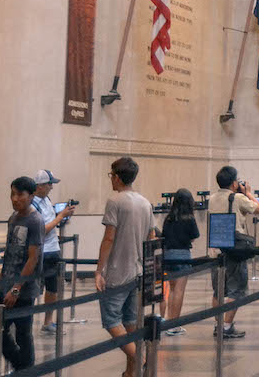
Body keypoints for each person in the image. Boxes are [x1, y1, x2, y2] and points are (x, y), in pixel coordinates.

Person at [97, 158, 156, 376]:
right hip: (138, 271)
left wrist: (98, 271)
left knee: (112, 320)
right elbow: (151, 237)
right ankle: (131, 372)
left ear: (117, 177)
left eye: (111, 175)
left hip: (117, 272)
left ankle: (142, 359)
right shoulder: (145, 202)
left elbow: (109, 238)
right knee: (131, 322)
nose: (110, 179)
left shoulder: (115, 201)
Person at [0, 176, 44, 371]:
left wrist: (16, 289)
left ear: (31, 196)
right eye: (12, 194)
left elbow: (32, 258)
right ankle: (20, 365)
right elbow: (10, 255)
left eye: (20, 194)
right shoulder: (13, 219)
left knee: (23, 332)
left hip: (24, 288)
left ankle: (26, 369)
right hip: (6, 284)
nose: (15, 199)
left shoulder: (35, 220)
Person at [208, 166, 259, 338]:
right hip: (234, 251)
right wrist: (248, 192)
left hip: (216, 250)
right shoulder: (238, 197)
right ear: (234, 183)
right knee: (236, 290)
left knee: (218, 291)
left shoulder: (212, 198)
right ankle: (226, 326)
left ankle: (218, 325)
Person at [32, 169, 74, 335]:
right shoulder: (32, 205)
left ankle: (48, 321)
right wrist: (60, 216)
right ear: (40, 186)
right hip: (42, 252)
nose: (51, 187)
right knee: (34, 288)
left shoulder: (46, 200)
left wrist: (63, 215)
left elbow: (51, 221)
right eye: (49, 184)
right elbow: (42, 230)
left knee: (53, 288)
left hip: (53, 250)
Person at [160, 189, 199, 335]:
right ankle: (174, 325)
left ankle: (170, 321)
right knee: (179, 291)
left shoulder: (168, 218)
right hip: (182, 255)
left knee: (171, 289)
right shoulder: (189, 218)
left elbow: (164, 237)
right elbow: (195, 236)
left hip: (168, 255)